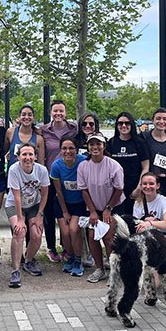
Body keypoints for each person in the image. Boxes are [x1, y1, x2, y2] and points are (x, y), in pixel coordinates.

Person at [78, 133, 124, 284]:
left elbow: (119, 189)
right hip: (94, 207)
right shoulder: (83, 166)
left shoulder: (114, 166)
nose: (95, 147)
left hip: (113, 206)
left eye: (98, 144)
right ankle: (100, 269)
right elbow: (84, 190)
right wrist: (92, 211)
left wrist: (108, 208)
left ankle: (114, 271)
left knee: (109, 237)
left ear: (104, 146)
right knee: (92, 237)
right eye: (92, 144)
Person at [5, 142, 50, 287]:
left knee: (36, 234)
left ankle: (29, 261)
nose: (27, 157)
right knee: (19, 232)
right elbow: (16, 196)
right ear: (18, 157)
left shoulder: (41, 170)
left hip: (34, 205)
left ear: (36, 156)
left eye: (31, 154)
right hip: (15, 205)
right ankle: (15, 270)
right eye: (24, 154)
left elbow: (44, 194)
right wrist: (19, 219)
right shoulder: (13, 170)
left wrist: (39, 215)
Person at [141, 108, 166, 271]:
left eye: (165, 119)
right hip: (154, 182)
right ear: (153, 120)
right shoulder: (145, 137)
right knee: (151, 216)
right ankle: (151, 253)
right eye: (158, 119)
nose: (161, 122)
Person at [40, 100, 77, 262]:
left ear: (66, 113)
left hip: (68, 177)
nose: (58, 114)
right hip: (50, 177)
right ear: (50, 113)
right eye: (55, 111)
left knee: (65, 213)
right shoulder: (44, 130)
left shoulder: (73, 129)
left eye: (61, 111)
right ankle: (51, 247)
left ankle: (66, 247)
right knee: (49, 213)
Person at [50, 136, 87, 277]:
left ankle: (78, 260)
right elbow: (58, 191)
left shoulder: (83, 162)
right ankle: (70, 257)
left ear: (76, 149)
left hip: (79, 203)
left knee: (74, 229)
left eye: (71, 148)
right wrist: (65, 212)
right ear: (60, 150)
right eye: (64, 148)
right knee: (65, 232)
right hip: (62, 203)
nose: (68, 151)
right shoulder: (56, 166)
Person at [108, 111, 150, 215]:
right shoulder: (111, 143)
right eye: (120, 123)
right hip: (116, 191)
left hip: (134, 189)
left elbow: (145, 167)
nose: (124, 126)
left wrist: (139, 187)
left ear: (132, 125)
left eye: (127, 123)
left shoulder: (139, 143)